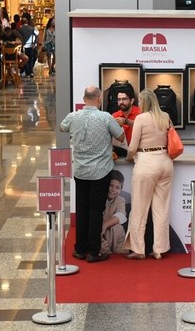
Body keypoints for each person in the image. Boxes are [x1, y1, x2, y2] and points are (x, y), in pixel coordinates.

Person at [60, 85, 125, 263]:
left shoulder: (73, 116)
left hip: (80, 170)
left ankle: (80, 249)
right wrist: (117, 124)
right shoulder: (106, 117)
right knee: (96, 211)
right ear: (99, 99)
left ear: (83, 98)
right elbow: (120, 137)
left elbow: (62, 127)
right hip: (100, 171)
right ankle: (93, 252)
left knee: (82, 209)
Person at [124, 89, 174, 260]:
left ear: (143, 102)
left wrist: (130, 158)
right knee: (161, 209)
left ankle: (138, 249)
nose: (138, 103)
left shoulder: (140, 118)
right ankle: (159, 249)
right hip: (165, 162)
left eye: (139, 101)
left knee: (139, 208)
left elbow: (132, 147)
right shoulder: (165, 117)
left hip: (146, 162)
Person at [100, 169, 128, 255]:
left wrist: (106, 224)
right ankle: (101, 247)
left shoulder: (120, 200)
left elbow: (122, 215)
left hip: (110, 232)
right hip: (99, 232)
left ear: (121, 189)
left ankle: (118, 251)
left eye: (117, 188)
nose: (113, 190)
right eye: (111, 185)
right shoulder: (99, 196)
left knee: (118, 228)